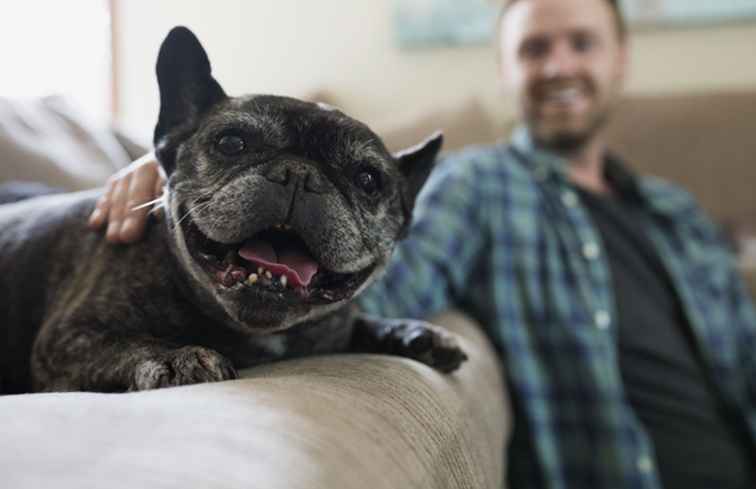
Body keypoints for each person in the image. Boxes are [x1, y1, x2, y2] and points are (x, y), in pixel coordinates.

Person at [89, 0, 756, 487]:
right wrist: (190, 177)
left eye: (581, 44)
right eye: (534, 49)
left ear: (619, 61)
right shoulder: (479, 187)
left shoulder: (677, 212)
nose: (559, 66)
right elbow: (358, 281)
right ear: (505, 70)